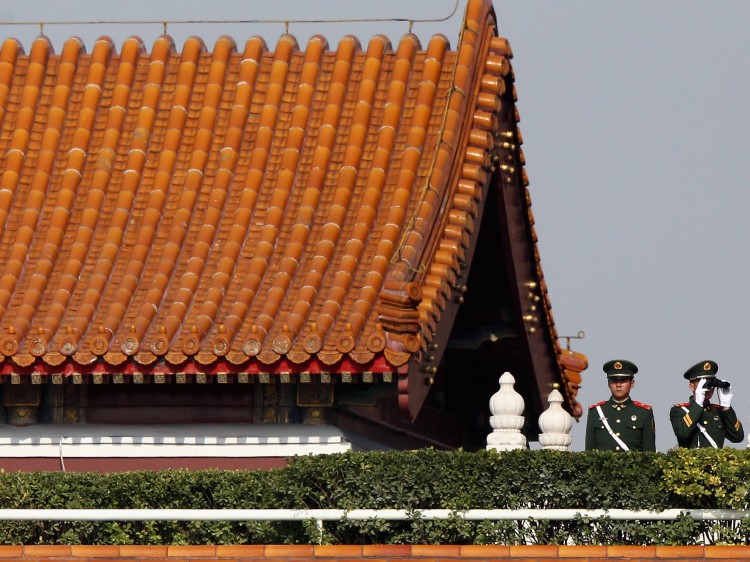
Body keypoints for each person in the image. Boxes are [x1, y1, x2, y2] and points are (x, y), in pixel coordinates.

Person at [585, 359, 656, 451]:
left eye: (623, 381)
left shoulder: (644, 412)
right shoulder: (596, 412)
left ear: (632, 384)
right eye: (614, 381)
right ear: (608, 384)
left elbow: (649, 452)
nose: (618, 385)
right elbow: (589, 451)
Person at [670, 360, 744, 448]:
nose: (709, 389)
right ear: (692, 387)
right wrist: (698, 404)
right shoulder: (679, 410)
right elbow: (683, 433)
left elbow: (737, 437)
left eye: (711, 384)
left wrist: (726, 406)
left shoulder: (717, 411)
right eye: (704, 384)